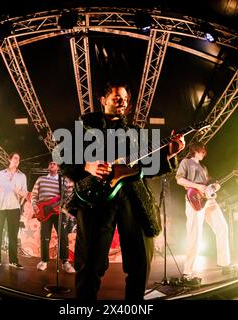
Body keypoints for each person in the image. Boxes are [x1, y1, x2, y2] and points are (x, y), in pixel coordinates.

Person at [59, 81, 185, 300]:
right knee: (89, 264)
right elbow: (62, 158)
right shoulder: (84, 128)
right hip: (95, 200)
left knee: (140, 264)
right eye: (117, 97)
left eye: (125, 99)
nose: (122, 102)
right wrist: (87, 166)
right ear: (103, 100)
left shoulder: (136, 133)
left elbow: (150, 167)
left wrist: (170, 154)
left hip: (133, 200)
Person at [175, 142, 231, 284]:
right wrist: (197, 186)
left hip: (208, 200)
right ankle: (188, 272)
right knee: (195, 235)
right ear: (195, 150)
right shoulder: (186, 162)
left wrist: (214, 188)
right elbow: (179, 179)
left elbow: (206, 187)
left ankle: (224, 263)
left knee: (222, 227)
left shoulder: (204, 168)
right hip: (194, 200)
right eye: (201, 151)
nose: (203, 154)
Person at [0, 152, 28, 269]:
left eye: (18, 159)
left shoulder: (22, 176)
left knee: (13, 235)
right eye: (15, 158)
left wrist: (18, 192)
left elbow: (25, 193)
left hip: (14, 208)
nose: (17, 160)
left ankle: (13, 261)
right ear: (9, 159)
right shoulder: (0, 174)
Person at [31, 161, 76, 274]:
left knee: (63, 236)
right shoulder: (41, 179)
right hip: (43, 211)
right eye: (50, 163)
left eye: (54, 163)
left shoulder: (64, 180)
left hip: (59, 212)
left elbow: (69, 195)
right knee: (44, 237)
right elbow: (34, 195)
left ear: (58, 167)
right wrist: (35, 206)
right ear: (48, 166)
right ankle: (44, 261)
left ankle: (65, 262)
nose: (52, 164)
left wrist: (64, 204)